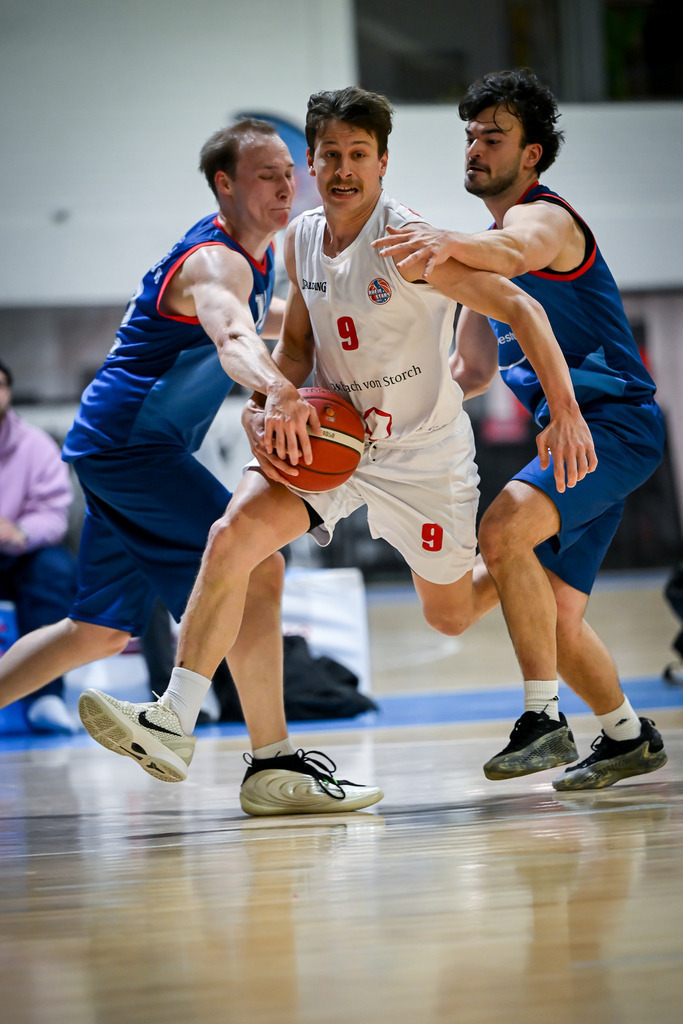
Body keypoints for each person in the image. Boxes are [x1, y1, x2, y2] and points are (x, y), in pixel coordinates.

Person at [78, 85, 597, 815]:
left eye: (359, 155)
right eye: (330, 156)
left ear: (382, 164)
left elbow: (522, 306)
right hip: (334, 439)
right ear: (312, 164)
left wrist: (565, 414)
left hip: (422, 457)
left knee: (447, 615)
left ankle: (533, 570)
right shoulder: (299, 240)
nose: (344, 168)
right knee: (233, 538)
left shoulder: (408, 242)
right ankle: (172, 719)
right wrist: (266, 404)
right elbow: (293, 347)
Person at [0, 118, 382, 815]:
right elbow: (232, 333)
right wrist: (276, 389)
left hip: (122, 446)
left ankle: (261, 758)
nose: (285, 185)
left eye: (289, 173)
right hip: (130, 445)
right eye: (267, 175)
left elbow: (259, 325)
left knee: (98, 630)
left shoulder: (256, 259)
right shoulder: (216, 263)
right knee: (256, 559)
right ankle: (272, 762)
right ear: (224, 184)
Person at [374, 68, 668, 790]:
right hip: (572, 442)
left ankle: (542, 720)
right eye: (469, 135)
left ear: (530, 154)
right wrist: (393, 412)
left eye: (492, 137)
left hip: (611, 428)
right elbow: (469, 372)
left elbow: (512, 252)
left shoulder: (544, 221)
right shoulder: (483, 256)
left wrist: (446, 239)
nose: (474, 148)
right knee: (542, 617)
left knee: (503, 528)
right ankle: (628, 737)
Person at [0, 358, 78, 733]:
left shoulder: (36, 446)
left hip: (21, 553)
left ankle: (45, 696)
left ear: (9, 392)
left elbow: (53, 513)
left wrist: (20, 532)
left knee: (55, 569)